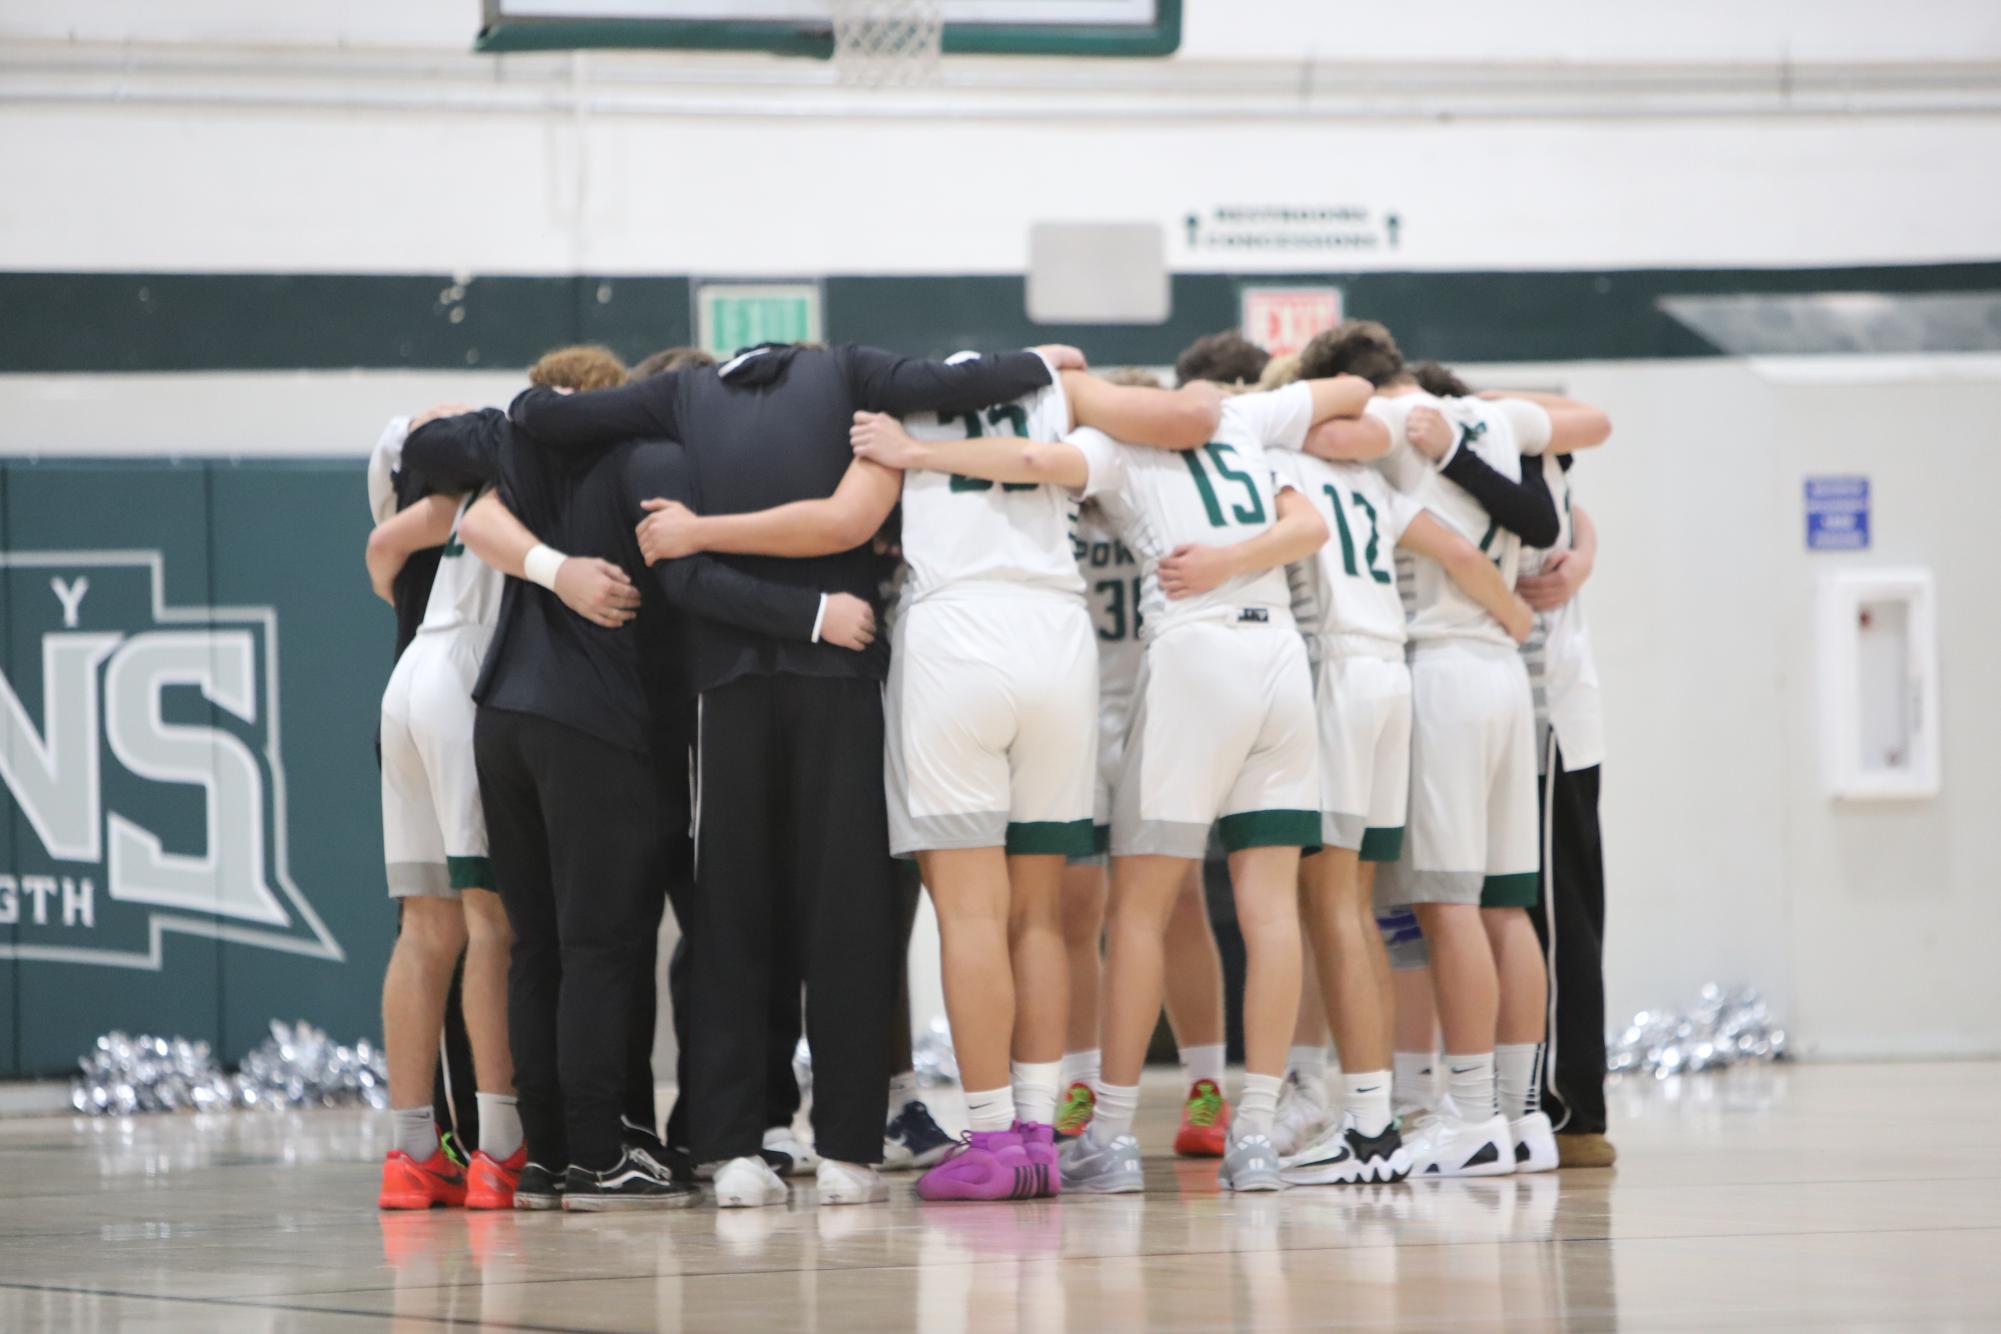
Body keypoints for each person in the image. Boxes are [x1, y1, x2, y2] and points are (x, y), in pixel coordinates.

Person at [510, 340, 1069, 1207]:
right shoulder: (836, 370)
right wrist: (1036, 358)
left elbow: (547, 414)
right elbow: (957, 379)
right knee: (793, 914)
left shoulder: (687, 394)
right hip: (804, 673)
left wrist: (529, 406)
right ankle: (800, 1143)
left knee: (775, 914)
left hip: (776, 680)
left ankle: (794, 1144)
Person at [449, 395, 876, 1210]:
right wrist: (814, 614)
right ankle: (601, 1154)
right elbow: (684, 578)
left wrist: (551, 565)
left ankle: (547, 1156)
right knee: (599, 947)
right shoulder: (659, 462)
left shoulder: (535, 456)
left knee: (535, 946)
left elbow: (471, 508)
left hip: (500, 714)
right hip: (592, 722)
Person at [1299, 322, 1607, 1179]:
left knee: (1450, 908)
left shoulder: (1400, 421)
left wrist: (1309, 411)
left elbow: (1326, 435)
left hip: (1438, 667)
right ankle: (1519, 1118)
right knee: (1509, 907)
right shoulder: (1499, 420)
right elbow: (1565, 474)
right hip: (1510, 676)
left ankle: (1469, 1113)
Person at [1256, 353, 1534, 1186]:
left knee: (1335, 905)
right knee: (1365, 911)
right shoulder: (1370, 482)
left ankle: (1369, 1124)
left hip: (1340, 673)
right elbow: (1460, 551)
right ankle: (1379, 1111)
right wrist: (1518, 619)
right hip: (1395, 678)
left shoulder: (1280, 460)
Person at [362, 346, 625, 1211]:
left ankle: (410, 1153)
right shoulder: (544, 453)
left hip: (408, 677)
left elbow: (385, 540)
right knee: (493, 923)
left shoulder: (463, 454)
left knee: (423, 929)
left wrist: (400, 571)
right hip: (466, 682)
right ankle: (498, 1148)